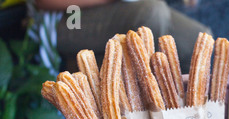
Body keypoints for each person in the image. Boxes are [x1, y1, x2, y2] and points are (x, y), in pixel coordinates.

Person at [28, 0, 212, 74]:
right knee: (151, 15)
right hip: (67, 17)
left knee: (200, 42)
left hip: (123, 9)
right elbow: (44, 2)